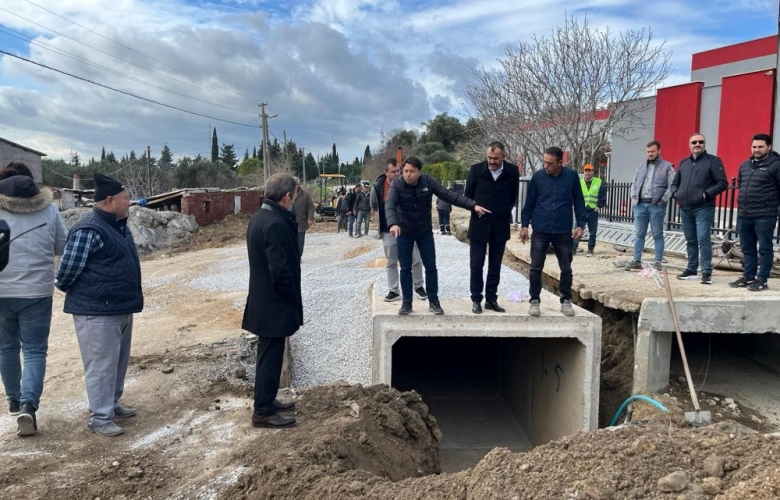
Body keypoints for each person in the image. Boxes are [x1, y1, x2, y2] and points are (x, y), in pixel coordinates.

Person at [55, 173, 142, 437]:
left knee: (117, 361)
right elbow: (66, 272)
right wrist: (90, 296)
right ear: (109, 201)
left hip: (119, 306)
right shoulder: (89, 228)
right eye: (126, 199)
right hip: (96, 311)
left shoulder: (118, 225)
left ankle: (112, 405)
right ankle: (100, 417)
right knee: (101, 365)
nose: (129, 203)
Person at [0, 163, 67, 437]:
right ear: (31, 182)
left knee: (6, 348)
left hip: (1, 291)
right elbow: (62, 246)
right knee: (35, 350)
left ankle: (14, 401)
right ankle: (29, 404)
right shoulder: (49, 208)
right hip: (37, 291)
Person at [385, 157, 489, 315]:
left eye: (412, 171)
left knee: (431, 266)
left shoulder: (427, 181)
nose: (408, 174)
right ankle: (407, 303)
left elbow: (449, 196)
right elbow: (390, 204)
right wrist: (393, 223)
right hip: (404, 231)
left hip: (423, 231)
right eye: (405, 171)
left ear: (419, 172)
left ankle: (434, 301)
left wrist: (472, 205)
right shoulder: (397, 184)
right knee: (405, 267)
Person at [242, 173, 302, 429]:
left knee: (270, 356)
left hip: (265, 302)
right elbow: (280, 271)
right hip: (273, 305)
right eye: (295, 196)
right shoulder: (275, 223)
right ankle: (263, 411)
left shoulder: (260, 217)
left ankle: (266, 400)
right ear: (286, 196)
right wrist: (291, 298)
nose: (295, 201)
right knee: (270, 357)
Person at [519, 147, 586, 317]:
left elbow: (579, 200)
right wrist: (525, 225)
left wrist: (581, 225)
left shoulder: (571, 177)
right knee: (535, 267)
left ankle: (566, 300)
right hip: (541, 228)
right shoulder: (538, 177)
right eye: (544, 162)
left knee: (566, 268)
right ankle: (534, 300)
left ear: (560, 162)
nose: (546, 165)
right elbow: (530, 201)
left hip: (563, 230)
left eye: (550, 163)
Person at [465, 141, 520, 314]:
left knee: (495, 265)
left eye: (496, 158)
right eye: (489, 157)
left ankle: (491, 299)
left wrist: (502, 211)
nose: (492, 161)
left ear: (504, 156)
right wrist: (475, 207)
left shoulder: (512, 171)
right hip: (479, 225)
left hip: (500, 225)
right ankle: (476, 299)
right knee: (476, 264)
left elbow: (513, 195)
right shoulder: (476, 170)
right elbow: (468, 197)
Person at [671, 133, 728, 284]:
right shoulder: (683, 163)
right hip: (685, 208)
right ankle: (691, 269)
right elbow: (674, 183)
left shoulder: (713, 161)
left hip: (704, 208)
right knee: (690, 240)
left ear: (704, 144)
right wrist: (675, 194)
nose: (697, 144)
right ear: (689, 145)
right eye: (694, 142)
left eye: (700, 141)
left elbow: (722, 183)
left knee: (703, 238)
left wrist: (706, 195)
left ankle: (706, 272)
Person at [370, 159, 427, 302]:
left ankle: (419, 286)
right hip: (387, 230)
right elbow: (374, 205)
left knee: (416, 259)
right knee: (391, 261)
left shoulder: (406, 183)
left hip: (408, 228)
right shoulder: (377, 187)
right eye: (393, 172)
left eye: (398, 171)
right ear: (385, 172)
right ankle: (394, 290)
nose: (397, 174)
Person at [730, 133, 780, 291]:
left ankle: (762, 279)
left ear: (769, 147)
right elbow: (740, 183)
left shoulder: (776, 165)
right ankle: (748, 276)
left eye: (760, 147)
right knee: (747, 247)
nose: (756, 150)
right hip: (744, 214)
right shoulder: (745, 165)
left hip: (765, 215)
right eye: (754, 146)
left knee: (765, 248)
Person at [625, 141, 675, 271]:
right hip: (640, 205)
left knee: (657, 234)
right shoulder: (641, 167)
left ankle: (657, 262)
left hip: (656, 206)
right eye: (648, 151)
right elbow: (634, 183)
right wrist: (633, 197)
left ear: (659, 151)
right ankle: (636, 260)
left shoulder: (667, 167)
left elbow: (672, 185)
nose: (650, 154)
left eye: (652, 151)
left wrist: (663, 200)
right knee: (639, 234)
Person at [572, 163, 606, 256]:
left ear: (592, 172)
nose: (587, 173)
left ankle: (591, 248)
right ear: (584, 172)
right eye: (586, 171)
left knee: (593, 231)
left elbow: (602, 195)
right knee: (578, 229)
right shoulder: (579, 182)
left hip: (592, 210)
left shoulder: (598, 182)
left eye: (589, 171)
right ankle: (573, 248)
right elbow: (575, 195)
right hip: (581, 210)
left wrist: (598, 206)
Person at [292, 177, 315, 258]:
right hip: (289, 221)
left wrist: (310, 218)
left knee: (300, 241)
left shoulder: (305, 195)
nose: (293, 186)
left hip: (301, 221)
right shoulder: (287, 194)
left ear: (298, 185)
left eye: (295, 184)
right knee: (290, 240)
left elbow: (311, 207)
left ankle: (298, 256)